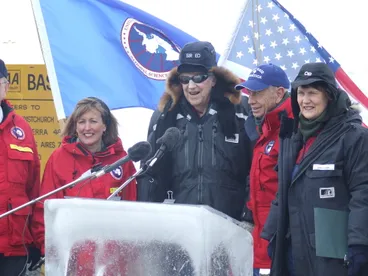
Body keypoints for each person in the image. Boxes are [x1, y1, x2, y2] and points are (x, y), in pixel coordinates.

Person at [262, 62, 368, 276]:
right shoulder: (293, 137)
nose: (305, 100)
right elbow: (283, 190)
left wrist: (359, 243)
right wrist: (273, 233)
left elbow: (363, 192)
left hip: (334, 254)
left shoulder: (354, 136)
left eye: (313, 93)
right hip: (293, 250)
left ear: (329, 95)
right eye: (301, 93)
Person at [137, 41, 252, 221]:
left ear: (213, 79)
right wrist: (148, 220)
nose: (191, 86)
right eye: (185, 79)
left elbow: (258, 171)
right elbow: (149, 173)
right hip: (179, 226)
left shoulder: (241, 110)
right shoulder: (165, 115)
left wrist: (248, 217)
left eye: (198, 78)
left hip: (230, 225)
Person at [31, 97, 137, 275]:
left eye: (93, 121)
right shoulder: (59, 159)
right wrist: (49, 252)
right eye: (82, 122)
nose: (87, 128)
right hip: (70, 262)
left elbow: (133, 211)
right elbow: (44, 211)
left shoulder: (122, 161)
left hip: (113, 263)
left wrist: (129, 255)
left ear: (105, 126)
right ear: (75, 126)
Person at [234, 63, 292, 276]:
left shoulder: (293, 130)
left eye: (257, 93)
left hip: (285, 247)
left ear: (278, 93)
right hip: (262, 244)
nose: (251, 100)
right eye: (249, 93)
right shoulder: (264, 130)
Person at [0, 58, 41, 276]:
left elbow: (33, 189)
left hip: (15, 245)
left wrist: (35, 239)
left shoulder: (22, 128)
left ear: (5, 87)